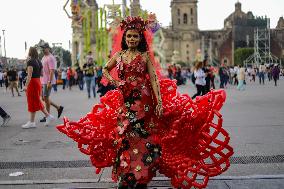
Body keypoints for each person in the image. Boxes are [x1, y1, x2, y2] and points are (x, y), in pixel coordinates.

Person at [57, 16, 233, 189]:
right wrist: (115, 81)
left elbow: (154, 80)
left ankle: (142, 173)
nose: (132, 39)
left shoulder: (145, 56)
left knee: (142, 136)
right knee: (125, 135)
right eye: (129, 36)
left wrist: (159, 101)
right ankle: (126, 173)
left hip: (144, 100)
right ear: (125, 38)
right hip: (125, 100)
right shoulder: (119, 55)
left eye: (135, 36)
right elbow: (104, 69)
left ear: (140, 38)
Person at [22, 47, 55, 128]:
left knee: (33, 101)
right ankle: (33, 121)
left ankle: (45, 116)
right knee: (35, 100)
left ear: (30, 52)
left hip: (32, 83)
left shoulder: (30, 61)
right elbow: (42, 74)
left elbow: (29, 76)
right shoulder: (39, 61)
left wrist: (25, 86)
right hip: (38, 81)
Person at [39, 43, 64, 123]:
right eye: (42, 48)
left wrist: (49, 81)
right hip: (43, 80)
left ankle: (48, 116)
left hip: (48, 81)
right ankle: (58, 108)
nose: (43, 49)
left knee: (45, 98)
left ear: (48, 48)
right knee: (44, 98)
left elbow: (52, 70)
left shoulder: (51, 58)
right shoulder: (43, 57)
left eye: (44, 48)